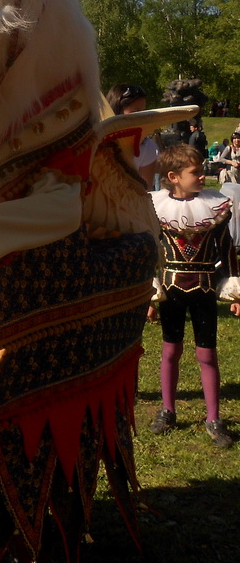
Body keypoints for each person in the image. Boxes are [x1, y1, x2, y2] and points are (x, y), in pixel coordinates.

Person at [147, 144, 240, 448]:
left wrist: (235, 291)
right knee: (170, 351)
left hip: (205, 289)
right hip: (171, 289)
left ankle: (214, 418)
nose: (203, 176)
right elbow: (150, 253)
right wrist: (150, 295)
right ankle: (167, 409)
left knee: (207, 353)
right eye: (195, 172)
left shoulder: (217, 208)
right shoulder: (156, 209)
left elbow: (228, 252)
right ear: (173, 176)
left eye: (202, 170)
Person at [105, 83, 159, 188]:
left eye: (143, 112)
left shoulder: (148, 147)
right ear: (116, 111)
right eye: (135, 112)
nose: (141, 117)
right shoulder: (94, 141)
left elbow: (144, 191)